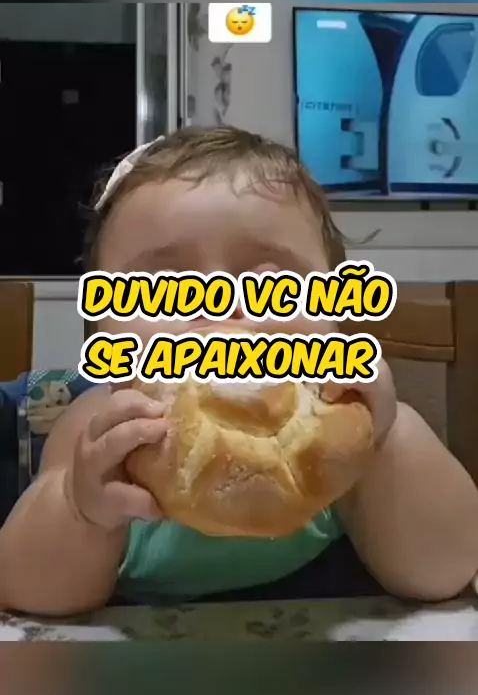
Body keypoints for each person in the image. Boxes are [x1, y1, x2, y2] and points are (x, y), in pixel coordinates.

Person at [1, 126, 477, 616]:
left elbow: (447, 568)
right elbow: (24, 587)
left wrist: (384, 443)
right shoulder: (100, 429)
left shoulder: (355, 431)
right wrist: (81, 509)